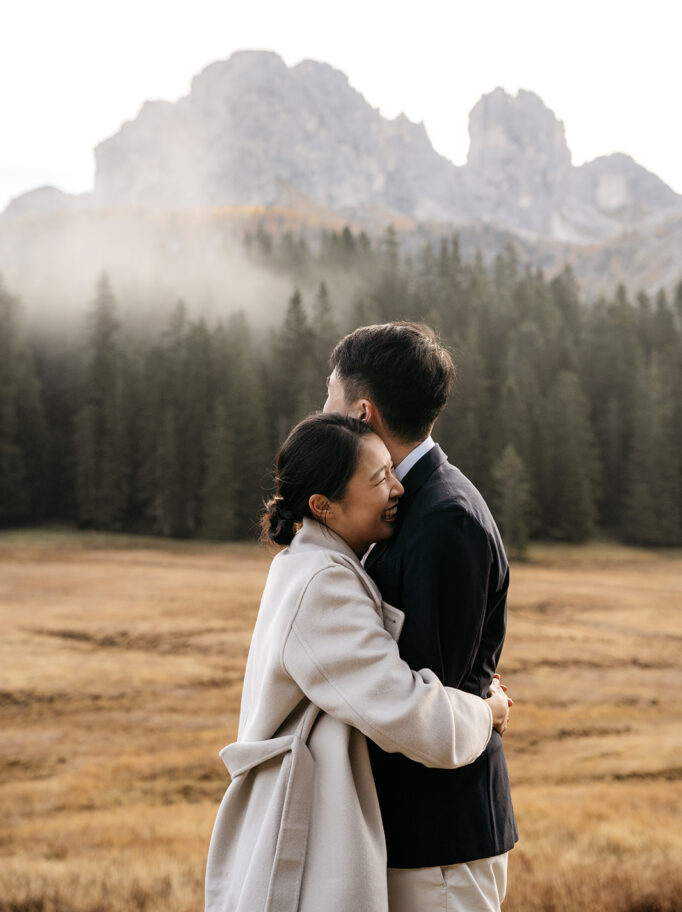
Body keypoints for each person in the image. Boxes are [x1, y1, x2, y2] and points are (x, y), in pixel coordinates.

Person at [205, 412, 512, 912]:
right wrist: (487, 710)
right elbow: (411, 716)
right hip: (307, 841)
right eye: (378, 479)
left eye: (392, 470)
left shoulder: (315, 565)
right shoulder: (322, 584)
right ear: (324, 505)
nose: (397, 488)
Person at [324, 322, 518, 912]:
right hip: (410, 834)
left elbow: (429, 691)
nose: (320, 412)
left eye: (328, 398)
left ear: (362, 413)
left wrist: (484, 709)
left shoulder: (445, 518)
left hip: (441, 845)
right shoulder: (404, 506)